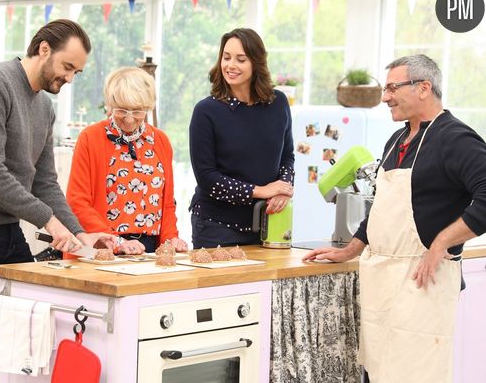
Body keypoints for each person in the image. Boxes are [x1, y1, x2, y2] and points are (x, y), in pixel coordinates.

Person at [0, 19, 118, 383]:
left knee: (34, 326)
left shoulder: (44, 108)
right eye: (67, 67)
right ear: (43, 49)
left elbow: (44, 182)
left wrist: (78, 233)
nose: (70, 78)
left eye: (77, 71)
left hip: (4, 228)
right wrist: (49, 221)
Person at [303, 54, 486, 383]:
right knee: (379, 373)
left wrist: (441, 242)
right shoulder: (396, 141)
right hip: (384, 284)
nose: (384, 97)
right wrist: (350, 249)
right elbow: (383, 205)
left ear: (423, 88)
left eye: (392, 88)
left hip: (422, 283)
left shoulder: (455, 138)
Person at [189, 28, 295, 248]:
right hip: (215, 227)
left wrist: (283, 188)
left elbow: (287, 156)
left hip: (268, 222)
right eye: (226, 58)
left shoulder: (278, 103)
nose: (231, 65)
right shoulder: (206, 111)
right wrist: (262, 191)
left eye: (241, 59)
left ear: (256, 63)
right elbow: (207, 178)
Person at [67, 67, 188, 254]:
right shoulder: (91, 138)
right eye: (122, 111)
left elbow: (167, 203)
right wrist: (115, 241)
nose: (130, 120)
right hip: (104, 247)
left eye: (138, 111)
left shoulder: (160, 141)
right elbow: (77, 202)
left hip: (149, 249)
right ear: (110, 105)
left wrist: (170, 238)